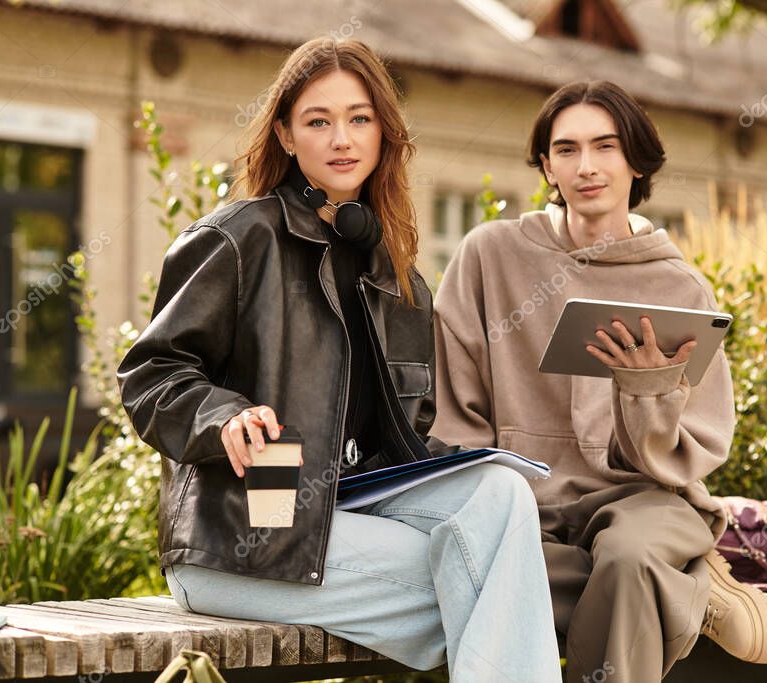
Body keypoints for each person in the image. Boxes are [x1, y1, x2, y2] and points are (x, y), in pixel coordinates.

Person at [116, 38, 562, 682]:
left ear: (384, 133)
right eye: (318, 121)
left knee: (498, 496)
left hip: (350, 511)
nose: (341, 138)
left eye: (359, 118)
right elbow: (150, 373)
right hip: (245, 535)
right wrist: (224, 418)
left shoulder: (400, 278)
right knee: (495, 587)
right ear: (287, 136)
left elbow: (408, 432)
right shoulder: (239, 239)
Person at [431, 80, 767, 682]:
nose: (586, 167)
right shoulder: (489, 256)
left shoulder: (680, 288)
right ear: (546, 166)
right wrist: (495, 491)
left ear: (635, 161)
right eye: (566, 150)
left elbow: (691, 453)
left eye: (605, 147)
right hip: (525, 507)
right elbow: (452, 412)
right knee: (507, 577)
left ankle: (670, 571)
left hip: (645, 503)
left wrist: (648, 397)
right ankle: (689, 587)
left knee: (627, 559)